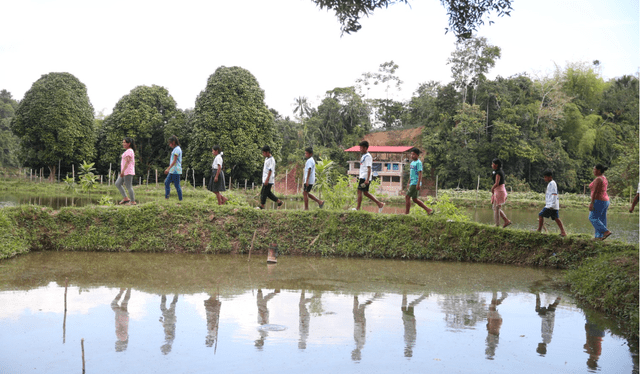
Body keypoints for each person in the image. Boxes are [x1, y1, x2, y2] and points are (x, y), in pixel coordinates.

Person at [355, 141, 384, 212]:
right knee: (365, 193)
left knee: (359, 191)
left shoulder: (368, 157)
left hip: (365, 177)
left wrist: (367, 179)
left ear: (365, 148)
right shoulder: (364, 156)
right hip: (363, 176)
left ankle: (357, 208)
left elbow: (369, 168)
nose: (360, 149)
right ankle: (379, 204)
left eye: (361, 148)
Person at [536, 170, 567, 237]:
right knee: (556, 218)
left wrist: (551, 205)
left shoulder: (552, 184)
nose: (545, 179)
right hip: (553, 205)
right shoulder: (551, 183)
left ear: (550, 177)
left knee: (540, 215)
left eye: (545, 177)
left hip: (551, 205)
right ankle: (563, 232)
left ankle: (539, 230)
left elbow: (554, 194)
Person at [405, 148, 433, 215]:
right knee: (415, 199)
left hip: (415, 183)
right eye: (411, 154)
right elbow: (411, 174)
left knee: (407, 197)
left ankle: (407, 213)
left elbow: (420, 173)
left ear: (417, 155)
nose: (412, 156)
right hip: (412, 182)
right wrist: (408, 182)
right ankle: (428, 210)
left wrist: (418, 184)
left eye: (414, 154)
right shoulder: (412, 163)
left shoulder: (418, 162)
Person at [588, 164, 612, 240]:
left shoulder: (598, 179)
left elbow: (595, 192)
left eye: (594, 169)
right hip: (605, 201)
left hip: (599, 200)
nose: (593, 171)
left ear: (598, 171)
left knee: (592, 218)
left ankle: (605, 231)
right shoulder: (604, 178)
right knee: (601, 219)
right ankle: (599, 237)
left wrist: (592, 203)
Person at [258, 145, 283, 210]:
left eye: (263, 152)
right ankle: (279, 202)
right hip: (266, 179)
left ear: (267, 152)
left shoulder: (272, 160)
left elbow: (270, 170)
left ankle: (262, 206)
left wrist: (267, 180)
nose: (263, 154)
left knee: (263, 192)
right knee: (268, 193)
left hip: (268, 179)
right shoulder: (267, 159)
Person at [490, 158, 511, 228]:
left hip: (499, 191)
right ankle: (506, 221)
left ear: (496, 165)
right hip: (499, 190)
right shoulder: (497, 171)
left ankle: (497, 225)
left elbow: (497, 183)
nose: (492, 165)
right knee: (496, 208)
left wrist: (492, 188)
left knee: (496, 208)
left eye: (493, 163)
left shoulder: (498, 172)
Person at [115, 137, 136, 205]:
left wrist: (122, 172)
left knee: (128, 186)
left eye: (124, 142)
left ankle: (133, 201)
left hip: (127, 172)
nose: (123, 144)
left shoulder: (130, 151)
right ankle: (125, 198)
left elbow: (127, 162)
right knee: (117, 183)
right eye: (123, 142)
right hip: (125, 171)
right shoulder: (127, 151)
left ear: (129, 143)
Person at [164, 135, 183, 201]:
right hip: (173, 170)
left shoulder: (177, 149)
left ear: (174, 142)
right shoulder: (175, 149)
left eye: (170, 143)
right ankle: (167, 198)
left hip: (175, 170)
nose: (169, 144)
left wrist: (168, 168)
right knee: (167, 182)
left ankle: (180, 199)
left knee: (176, 185)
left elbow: (174, 160)